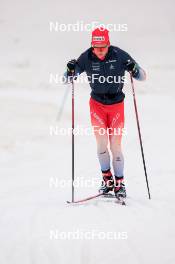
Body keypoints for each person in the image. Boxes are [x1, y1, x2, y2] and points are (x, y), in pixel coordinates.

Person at [65, 27, 146, 198]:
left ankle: (120, 183)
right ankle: (107, 180)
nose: (100, 51)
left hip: (116, 105)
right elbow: (66, 79)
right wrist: (70, 70)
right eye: (96, 47)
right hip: (97, 106)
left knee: (115, 146)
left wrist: (134, 69)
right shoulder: (86, 57)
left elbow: (142, 76)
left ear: (108, 44)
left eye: (103, 46)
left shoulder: (120, 55)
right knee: (101, 145)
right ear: (92, 45)